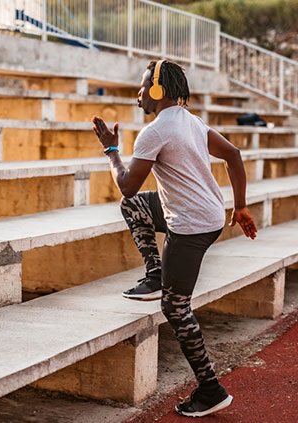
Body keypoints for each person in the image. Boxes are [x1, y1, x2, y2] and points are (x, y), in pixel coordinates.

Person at [91, 59, 257, 417]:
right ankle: (155, 274)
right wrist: (239, 206)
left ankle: (211, 389)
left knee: (175, 307)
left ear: (155, 90)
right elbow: (233, 154)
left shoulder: (155, 131)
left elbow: (125, 183)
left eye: (141, 87)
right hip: (208, 214)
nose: (137, 95)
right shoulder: (191, 122)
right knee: (135, 207)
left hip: (192, 225)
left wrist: (111, 150)